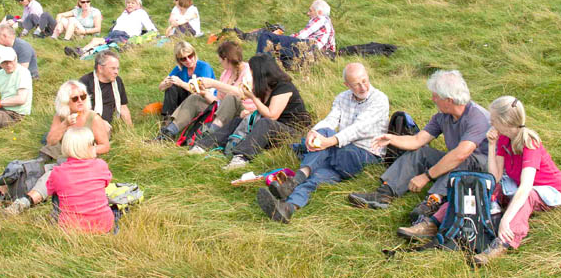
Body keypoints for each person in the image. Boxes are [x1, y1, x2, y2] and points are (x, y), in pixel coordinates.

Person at [397, 96, 561, 265]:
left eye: (494, 118)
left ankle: (503, 242)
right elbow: (494, 177)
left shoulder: (530, 143)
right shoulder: (503, 138)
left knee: (528, 197)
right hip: (516, 183)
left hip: (546, 190)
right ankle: (433, 223)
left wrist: (505, 220)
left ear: (504, 121)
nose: (490, 121)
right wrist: (491, 145)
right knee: (480, 187)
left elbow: (526, 188)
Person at [348, 70, 490, 224]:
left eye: (436, 96)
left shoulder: (478, 118)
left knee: (463, 159)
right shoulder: (442, 116)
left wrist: (426, 176)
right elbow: (417, 140)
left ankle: (433, 201)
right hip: (458, 161)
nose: (433, 99)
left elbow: (461, 154)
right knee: (421, 153)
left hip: (482, 169)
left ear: (448, 100)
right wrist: (392, 139)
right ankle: (384, 194)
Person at [256, 63, 389, 223]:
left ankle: (295, 179)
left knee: (325, 136)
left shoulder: (379, 99)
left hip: (366, 155)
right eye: (356, 84)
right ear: (347, 85)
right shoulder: (342, 97)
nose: (363, 87)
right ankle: (289, 207)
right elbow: (331, 119)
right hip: (341, 152)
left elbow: (357, 128)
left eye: (365, 80)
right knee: (316, 176)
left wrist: (328, 140)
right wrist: (313, 133)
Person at [0, 80, 111, 215]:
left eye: (83, 97)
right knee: (25, 169)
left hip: (75, 161)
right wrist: (65, 124)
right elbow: (51, 140)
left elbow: (105, 146)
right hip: (53, 156)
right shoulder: (61, 116)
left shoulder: (93, 118)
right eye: (75, 98)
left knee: (50, 174)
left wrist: (90, 150)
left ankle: (22, 204)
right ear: (66, 102)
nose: (80, 101)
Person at [191, 53, 310, 170]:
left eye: (252, 71)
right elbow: (260, 109)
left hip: (292, 132)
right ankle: (203, 146)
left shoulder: (284, 87)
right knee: (238, 120)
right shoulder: (267, 87)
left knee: (265, 123)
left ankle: (242, 157)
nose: (251, 75)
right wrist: (250, 112)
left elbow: (272, 115)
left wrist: (253, 97)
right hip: (272, 128)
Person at [157, 40, 254, 142]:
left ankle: (208, 136)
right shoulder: (226, 73)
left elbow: (243, 93)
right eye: (183, 59)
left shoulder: (248, 70)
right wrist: (204, 93)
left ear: (226, 59)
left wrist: (214, 83)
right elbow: (218, 101)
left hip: (243, 111)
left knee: (231, 97)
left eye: (220, 59)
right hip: (223, 111)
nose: (220, 62)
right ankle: (169, 132)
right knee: (195, 98)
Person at [45, 126, 115, 233]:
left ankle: (56, 217)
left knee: (57, 193)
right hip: (104, 225)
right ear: (87, 146)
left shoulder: (58, 171)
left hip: (71, 228)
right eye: (92, 143)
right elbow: (106, 182)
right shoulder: (101, 165)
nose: (95, 146)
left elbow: (50, 190)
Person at [64, 0, 156, 58]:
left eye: (133, 3)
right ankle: (80, 52)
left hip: (124, 36)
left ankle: (81, 53)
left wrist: (154, 34)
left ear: (138, 4)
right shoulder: (124, 13)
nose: (130, 5)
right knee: (96, 40)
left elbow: (151, 28)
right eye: (128, 3)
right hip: (114, 34)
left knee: (101, 44)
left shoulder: (141, 13)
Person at [256, 0, 336, 66]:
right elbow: (332, 46)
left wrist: (283, 37)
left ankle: (261, 65)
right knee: (276, 49)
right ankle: (276, 63)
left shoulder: (321, 19)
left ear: (319, 12)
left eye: (310, 11)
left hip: (308, 45)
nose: (308, 13)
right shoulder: (328, 23)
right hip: (310, 50)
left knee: (266, 36)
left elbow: (301, 35)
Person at [157, 41, 216, 128]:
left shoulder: (204, 67)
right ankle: (167, 119)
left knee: (190, 92)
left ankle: (180, 121)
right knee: (171, 87)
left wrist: (181, 83)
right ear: (179, 60)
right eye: (183, 59)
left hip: (203, 101)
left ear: (194, 54)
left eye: (190, 56)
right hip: (187, 99)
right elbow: (161, 87)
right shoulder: (179, 69)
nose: (188, 60)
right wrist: (167, 83)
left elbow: (200, 90)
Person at [78, 50, 133, 126]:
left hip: (109, 126)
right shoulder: (84, 83)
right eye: (113, 68)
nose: (116, 72)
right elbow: (76, 109)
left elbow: (123, 107)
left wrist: (130, 130)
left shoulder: (117, 81)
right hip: (87, 124)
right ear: (100, 68)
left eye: (118, 68)